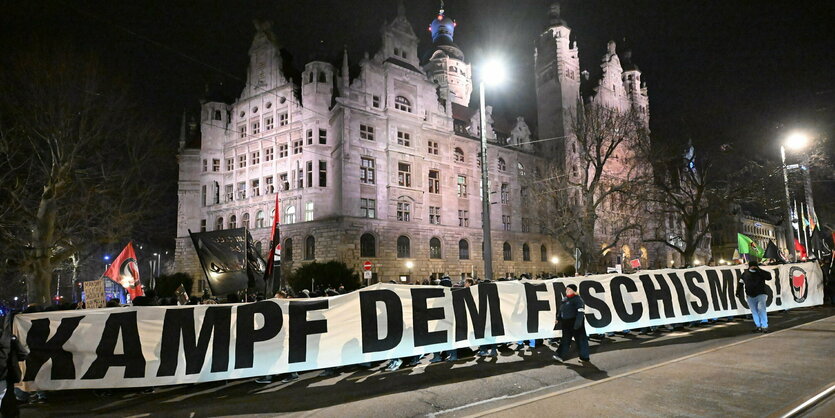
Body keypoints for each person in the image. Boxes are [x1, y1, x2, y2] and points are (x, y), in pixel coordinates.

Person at [553, 284, 590, 363]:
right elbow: (561, 310)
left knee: (581, 340)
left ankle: (584, 357)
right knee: (565, 339)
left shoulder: (578, 299)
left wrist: (578, 323)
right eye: (566, 289)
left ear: (573, 291)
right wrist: (558, 318)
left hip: (575, 321)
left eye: (569, 289)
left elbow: (580, 312)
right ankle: (559, 355)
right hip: (566, 323)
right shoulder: (565, 299)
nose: (567, 291)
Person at [736, 260, 772, 333]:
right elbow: (740, 283)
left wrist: (759, 270)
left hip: (761, 294)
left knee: (761, 310)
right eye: (753, 266)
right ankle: (758, 326)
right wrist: (738, 291)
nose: (754, 267)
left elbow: (769, 277)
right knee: (754, 312)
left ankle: (764, 326)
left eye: (755, 266)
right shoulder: (745, 274)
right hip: (750, 295)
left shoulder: (760, 273)